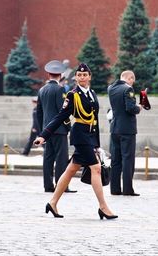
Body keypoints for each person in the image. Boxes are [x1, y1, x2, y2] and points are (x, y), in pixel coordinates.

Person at [34, 63, 117, 220]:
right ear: (76, 78)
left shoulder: (92, 93)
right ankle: (103, 207)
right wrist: (44, 135)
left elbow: (95, 120)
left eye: (85, 75)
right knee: (96, 168)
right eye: (79, 75)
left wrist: (97, 144)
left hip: (90, 136)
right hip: (80, 136)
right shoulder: (72, 95)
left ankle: (52, 202)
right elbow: (60, 116)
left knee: (71, 169)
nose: (82, 77)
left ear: (89, 77)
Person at [36, 60, 75, 193]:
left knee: (48, 158)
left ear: (49, 75)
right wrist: (69, 127)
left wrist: (42, 132)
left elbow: (39, 113)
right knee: (61, 158)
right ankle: (61, 185)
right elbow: (63, 112)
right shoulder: (60, 90)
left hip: (46, 131)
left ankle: (48, 185)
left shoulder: (42, 90)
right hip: (59, 130)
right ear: (60, 75)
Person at [107, 70, 143, 196]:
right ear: (130, 78)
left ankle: (115, 189)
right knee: (128, 159)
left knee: (115, 160)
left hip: (114, 128)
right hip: (127, 129)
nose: (133, 82)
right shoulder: (128, 89)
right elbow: (130, 108)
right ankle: (128, 189)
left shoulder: (111, 88)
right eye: (132, 80)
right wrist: (139, 107)